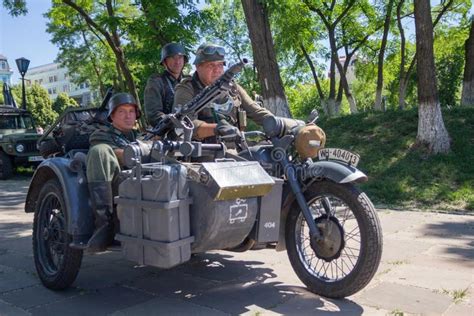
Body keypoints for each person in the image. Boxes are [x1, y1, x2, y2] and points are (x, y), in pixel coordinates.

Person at [173, 43, 273, 142]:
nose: (217, 70)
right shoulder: (186, 88)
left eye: (220, 65)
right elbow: (182, 123)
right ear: (198, 66)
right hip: (202, 152)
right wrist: (216, 129)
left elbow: (257, 112)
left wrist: (280, 124)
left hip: (236, 149)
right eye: (211, 65)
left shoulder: (232, 87)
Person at [85, 92, 140, 251]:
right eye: (122, 111)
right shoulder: (101, 134)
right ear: (112, 116)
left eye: (131, 112)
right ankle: (104, 224)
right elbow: (121, 156)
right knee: (99, 151)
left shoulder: (140, 136)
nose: (128, 116)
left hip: (143, 186)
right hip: (117, 186)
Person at [144, 42, 188, 128]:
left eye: (180, 57)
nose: (177, 61)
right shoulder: (156, 81)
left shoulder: (188, 82)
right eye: (172, 58)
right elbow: (154, 115)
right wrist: (174, 124)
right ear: (164, 62)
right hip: (166, 132)